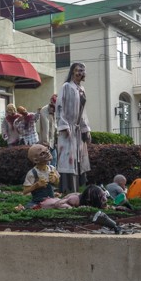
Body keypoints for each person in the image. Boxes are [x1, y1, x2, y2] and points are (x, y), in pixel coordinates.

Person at [56, 62, 91, 194]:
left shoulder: (81, 89)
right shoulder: (66, 87)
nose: (80, 73)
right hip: (67, 130)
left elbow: (83, 112)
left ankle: (76, 190)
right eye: (78, 70)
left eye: (82, 71)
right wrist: (64, 125)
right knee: (67, 158)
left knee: (78, 159)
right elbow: (59, 106)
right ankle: (67, 189)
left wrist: (86, 129)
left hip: (77, 130)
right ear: (72, 72)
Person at [36, 94, 58, 167]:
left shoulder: (56, 110)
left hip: (53, 142)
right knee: (46, 162)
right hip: (46, 143)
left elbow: (56, 126)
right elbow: (46, 128)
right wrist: (46, 143)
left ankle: (53, 177)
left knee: (54, 160)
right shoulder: (44, 110)